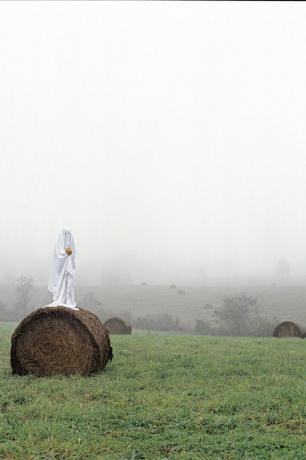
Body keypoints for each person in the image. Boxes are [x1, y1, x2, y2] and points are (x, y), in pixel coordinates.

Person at [47, 227, 78, 310]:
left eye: (68, 234)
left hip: (68, 270)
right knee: (61, 285)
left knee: (69, 284)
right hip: (61, 272)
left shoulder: (72, 245)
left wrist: (70, 254)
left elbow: (74, 254)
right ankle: (60, 298)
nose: (67, 237)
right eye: (65, 234)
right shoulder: (58, 245)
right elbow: (57, 256)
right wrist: (65, 253)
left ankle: (68, 300)